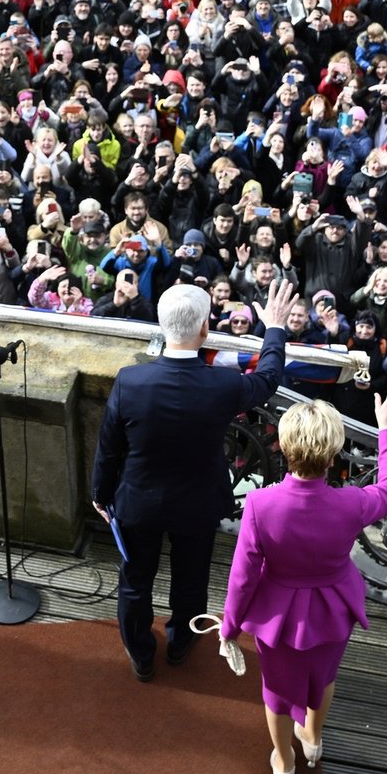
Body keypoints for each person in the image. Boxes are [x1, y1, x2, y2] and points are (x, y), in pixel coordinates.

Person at [91, 277, 296, 681]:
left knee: (135, 581)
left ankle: (141, 656)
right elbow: (269, 377)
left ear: (162, 325)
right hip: (197, 503)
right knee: (191, 580)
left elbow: (109, 446)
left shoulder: (130, 380)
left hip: (138, 501)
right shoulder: (222, 384)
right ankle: (181, 644)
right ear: (205, 329)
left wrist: (100, 494)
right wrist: (274, 327)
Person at [220, 380, 387, 774]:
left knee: (275, 689)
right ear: (333, 452)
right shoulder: (353, 502)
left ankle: (284, 760)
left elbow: (243, 575)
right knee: (323, 678)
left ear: (285, 448)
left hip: (277, 616)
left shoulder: (260, 504)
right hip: (333, 608)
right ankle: (312, 739)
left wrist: (229, 628)